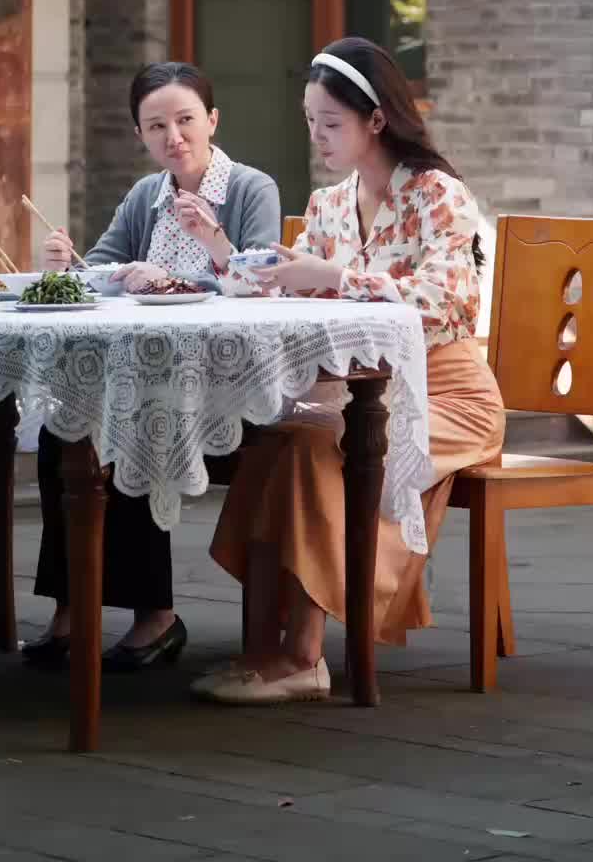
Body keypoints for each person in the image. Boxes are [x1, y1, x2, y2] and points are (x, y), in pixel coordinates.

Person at [196, 36, 505, 705]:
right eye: (310, 121)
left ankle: (303, 657)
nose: (317, 136)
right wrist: (224, 254)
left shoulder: (437, 194)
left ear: (377, 120)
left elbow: (448, 303)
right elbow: (288, 292)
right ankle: (262, 651)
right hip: (360, 395)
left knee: (316, 446)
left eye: (331, 123)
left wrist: (335, 277)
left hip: (449, 396)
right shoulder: (330, 204)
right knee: (273, 442)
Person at [29, 60, 281, 672]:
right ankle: (71, 608)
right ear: (140, 134)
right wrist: (68, 264)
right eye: (157, 126)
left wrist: (209, 246)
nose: (174, 136)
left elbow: (265, 286)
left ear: (212, 120)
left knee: (135, 421)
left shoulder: (251, 189)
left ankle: (156, 618)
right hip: (148, 376)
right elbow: (100, 269)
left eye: (186, 120)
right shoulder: (147, 195)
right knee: (64, 427)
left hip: (229, 384)